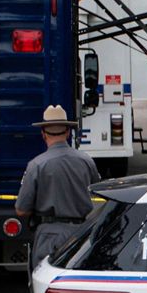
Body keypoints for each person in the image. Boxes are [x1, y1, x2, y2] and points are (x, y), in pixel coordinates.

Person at [15, 105, 100, 269]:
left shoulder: (37, 165)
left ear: (43, 133)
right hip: (81, 233)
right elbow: (96, 192)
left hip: (49, 235)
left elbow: (21, 210)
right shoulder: (86, 161)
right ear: (68, 132)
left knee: (46, 286)